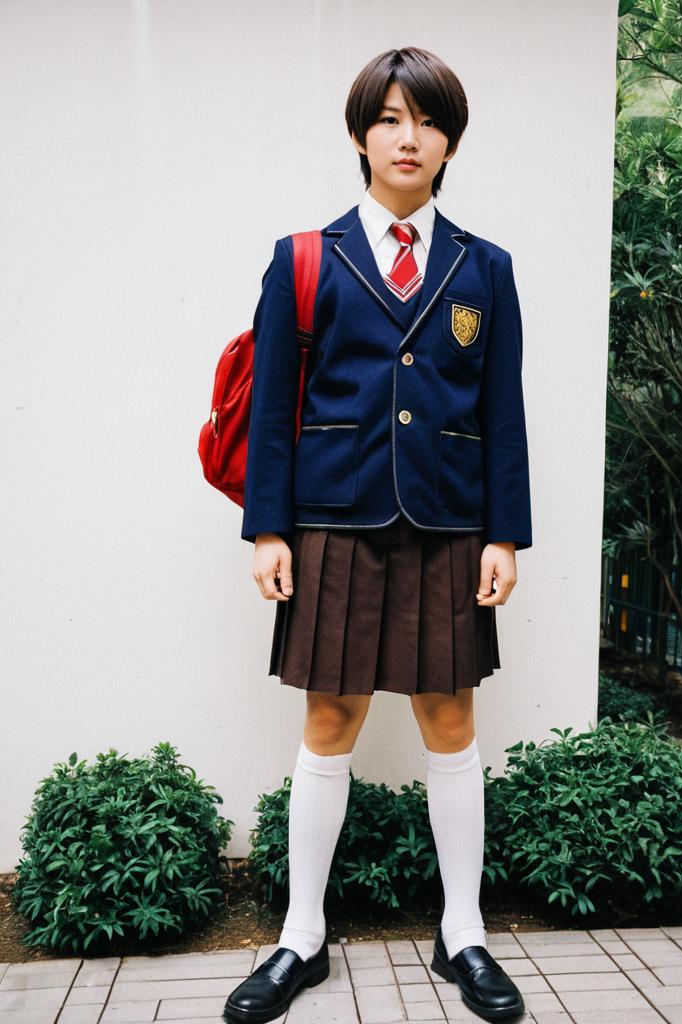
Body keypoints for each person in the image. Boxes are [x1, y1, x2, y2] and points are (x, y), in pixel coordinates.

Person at [224, 45, 531, 1024]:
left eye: (429, 121)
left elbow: (503, 411)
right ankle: (301, 936)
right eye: (392, 118)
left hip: (448, 522)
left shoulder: (486, 268)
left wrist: (505, 535)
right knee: (329, 725)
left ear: (450, 142)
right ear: (362, 133)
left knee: (451, 726)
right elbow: (272, 406)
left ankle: (465, 931)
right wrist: (268, 529)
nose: (411, 137)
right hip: (333, 521)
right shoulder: (304, 258)